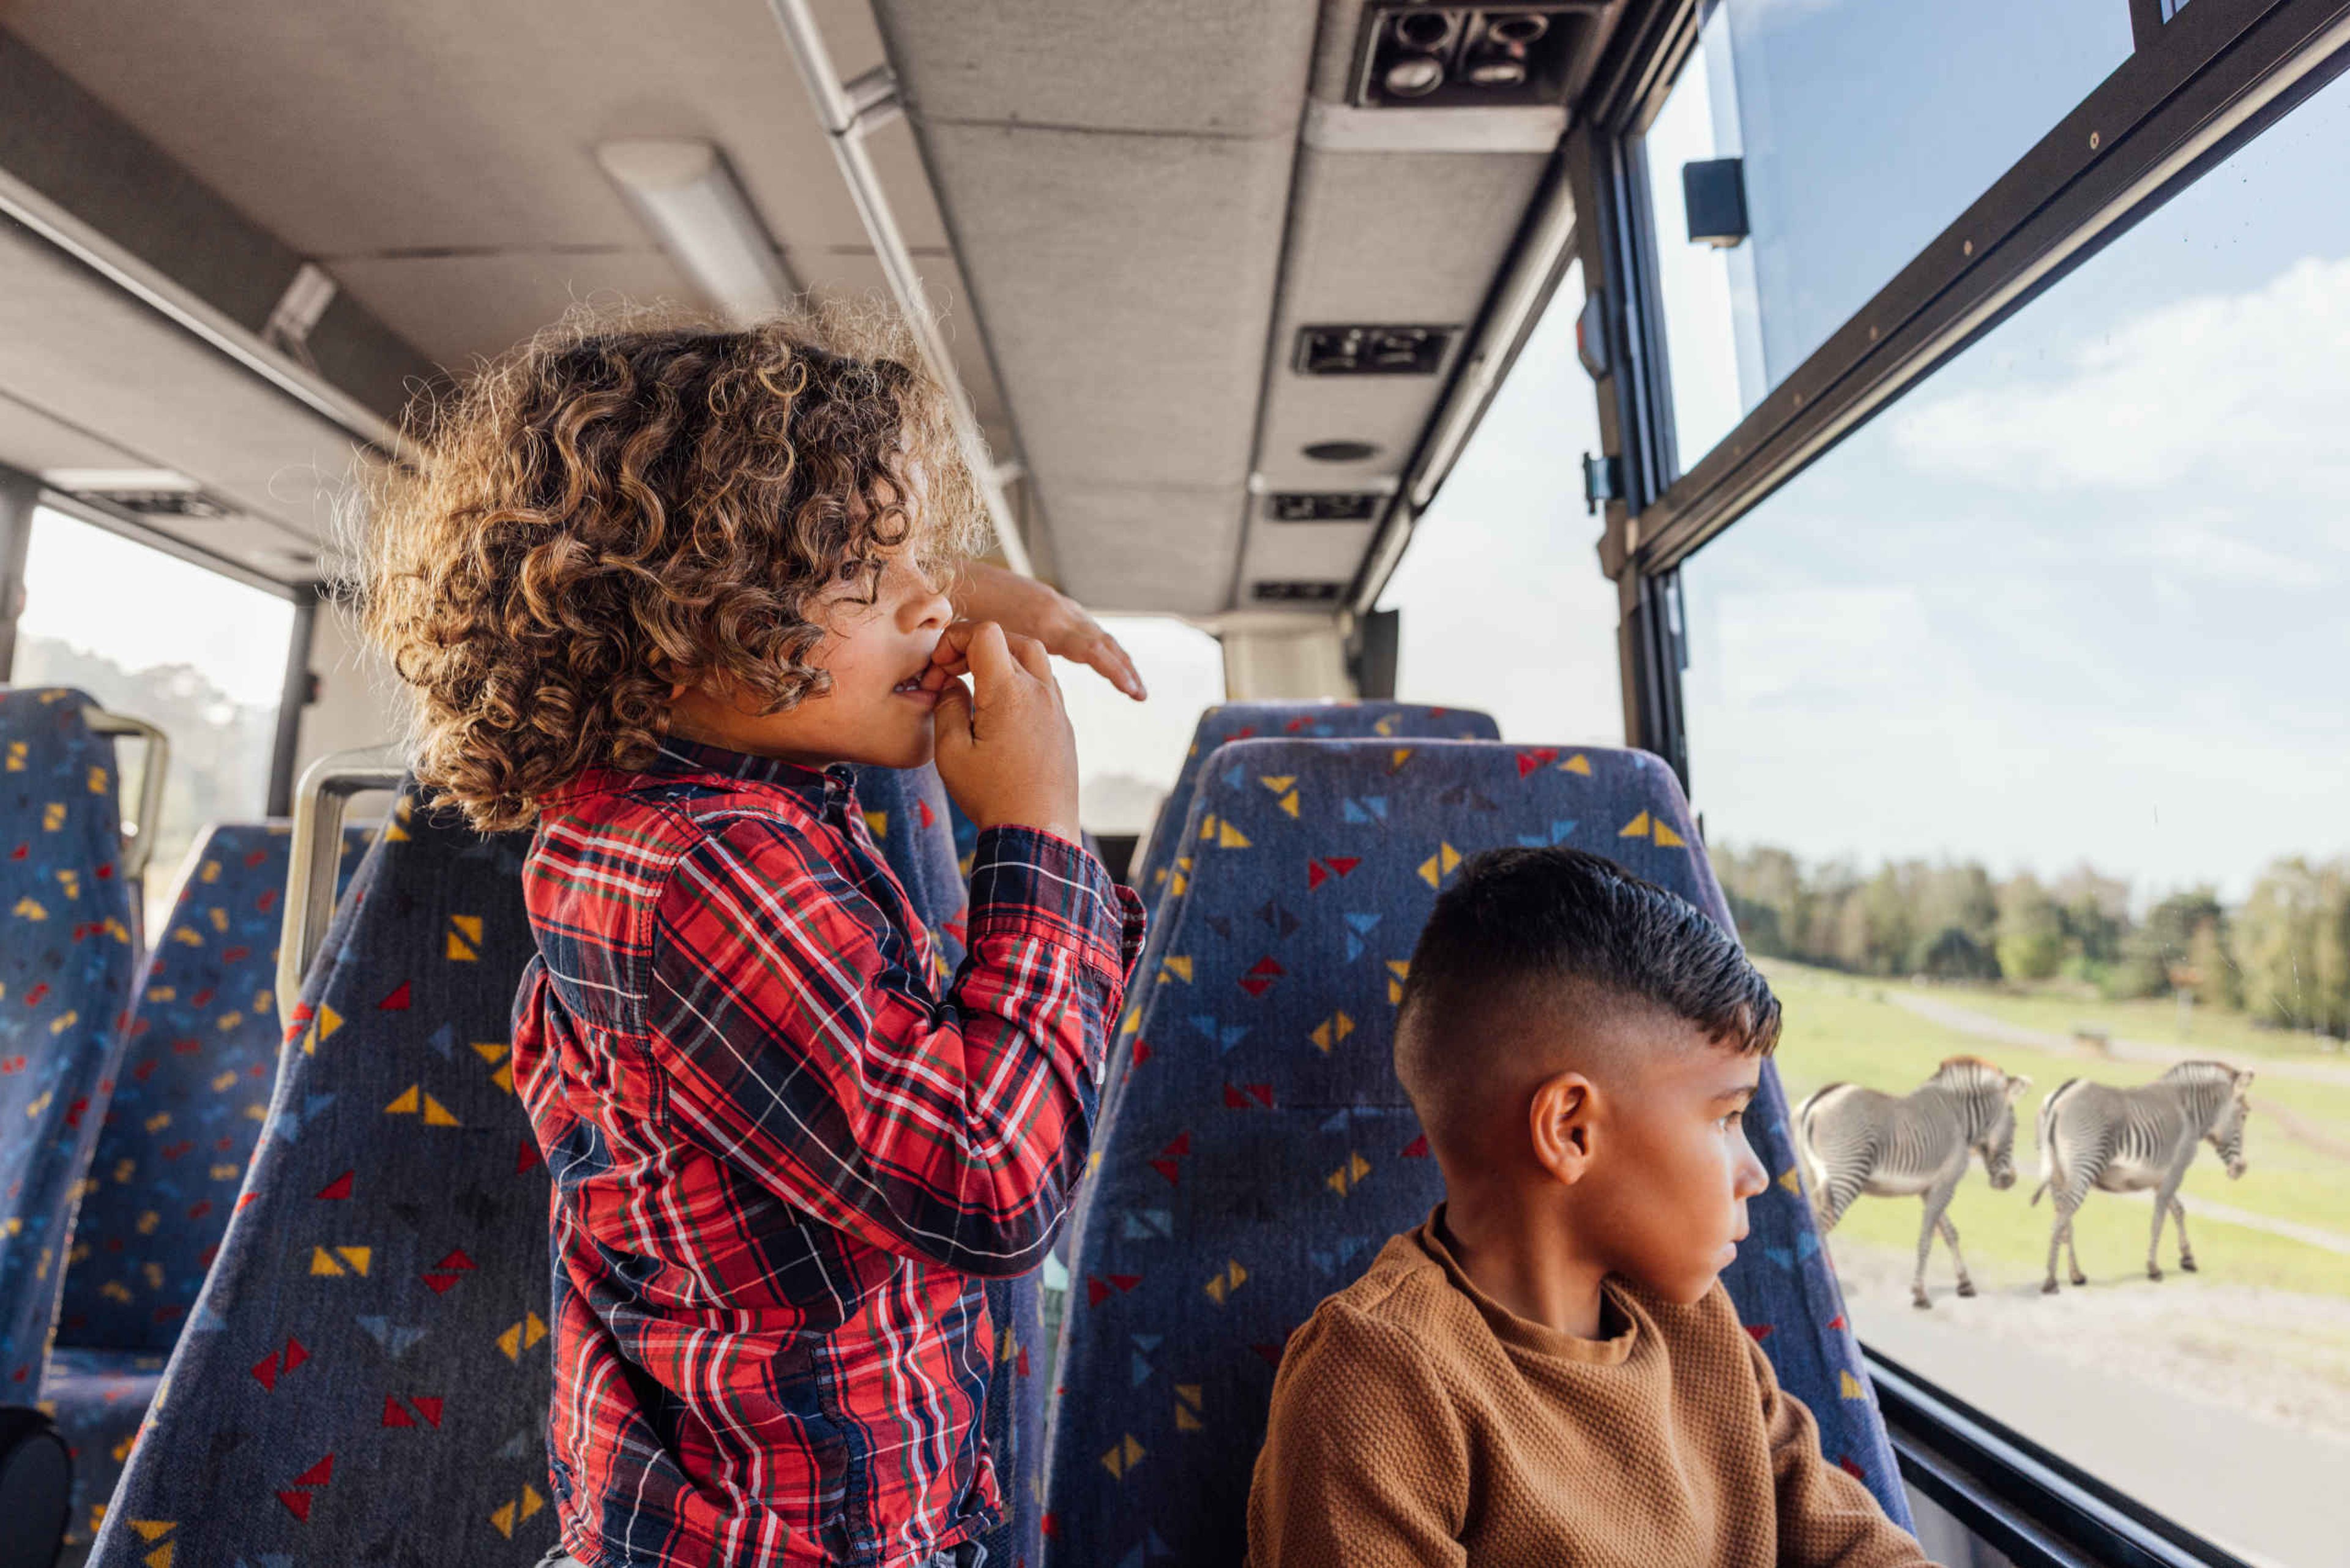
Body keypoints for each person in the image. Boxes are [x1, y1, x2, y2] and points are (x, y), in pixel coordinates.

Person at [359, 304, 1145, 1568]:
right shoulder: (706, 869)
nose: (925, 601)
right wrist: (1038, 832)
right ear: (687, 612)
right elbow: (990, 1184)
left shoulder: (684, 813)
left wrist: (918, 607)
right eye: (861, 565)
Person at [1247, 846, 1934, 1567]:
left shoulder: (1699, 1329)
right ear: (1571, 1129)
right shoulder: (1382, 1380)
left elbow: (1854, 1546)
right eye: (1726, 1118)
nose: (1757, 1174)